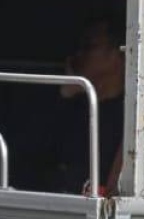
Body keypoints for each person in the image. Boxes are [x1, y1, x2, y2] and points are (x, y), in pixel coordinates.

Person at [45, 16, 127, 194]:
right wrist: (65, 95)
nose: (79, 55)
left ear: (117, 54)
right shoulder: (74, 104)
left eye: (89, 47)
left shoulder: (129, 114)